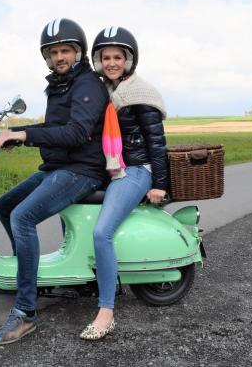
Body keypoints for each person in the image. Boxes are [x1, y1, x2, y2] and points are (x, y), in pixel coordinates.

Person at [0, 18, 109, 345]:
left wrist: (26, 135)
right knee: (5, 205)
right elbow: (54, 124)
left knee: (22, 217)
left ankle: (25, 311)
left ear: (78, 52)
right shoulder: (59, 84)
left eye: (65, 50)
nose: (59, 57)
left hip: (81, 170)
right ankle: (26, 278)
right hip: (58, 166)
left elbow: (76, 132)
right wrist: (17, 134)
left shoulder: (87, 84)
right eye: (53, 52)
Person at [79, 26, 168, 340]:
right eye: (106, 57)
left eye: (118, 57)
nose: (112, 62)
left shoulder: (139, 94)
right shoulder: (106, 91)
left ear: (129, 60)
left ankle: (106, 311)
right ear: (98, 60)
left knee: (102, 232)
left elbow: (156, 142)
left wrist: (159, 183)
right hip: (114, 168)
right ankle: (83, 277)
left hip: (136, 170)